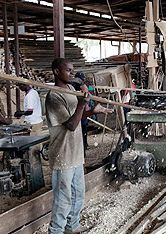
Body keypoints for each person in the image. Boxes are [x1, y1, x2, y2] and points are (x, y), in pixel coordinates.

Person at [46, 58, 112, 234]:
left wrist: (91, 111)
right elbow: (71, 124)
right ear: (56, 72)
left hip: (75, 152)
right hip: (63, 154)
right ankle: (56, 231)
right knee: (63, 199)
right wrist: (83, 103)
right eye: (68, 70)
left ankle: (72, 227)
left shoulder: (69, 89)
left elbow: (77, 116)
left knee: (78, 196)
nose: (72, 73)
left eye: (72, 70)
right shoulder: (54, 96)